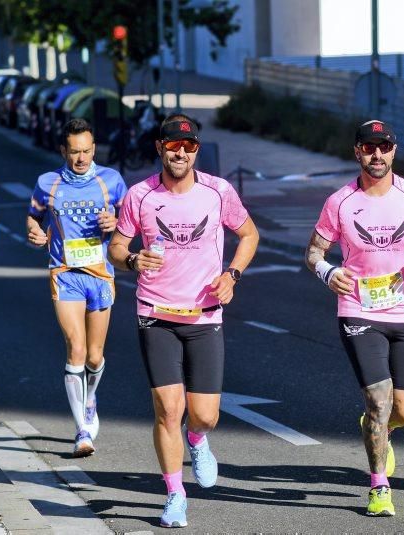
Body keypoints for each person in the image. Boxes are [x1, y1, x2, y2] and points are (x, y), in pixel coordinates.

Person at [108, 113, 259, 529]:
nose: (180, 152)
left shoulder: (218, 191)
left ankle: (198, 439)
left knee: (204, 414)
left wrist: (232, 275)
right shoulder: (140, 195)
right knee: (167, 409)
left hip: (204, 316)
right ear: (160, 147)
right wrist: (134, 258)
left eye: (188, 145)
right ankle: (175, 494)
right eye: (173, 145)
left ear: (196, 150)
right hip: (155, 313)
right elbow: (117, 248)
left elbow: (249, 235)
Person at [305, 120, 404, 517]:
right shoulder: (340, 201)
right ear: (357, 152)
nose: (377, 155)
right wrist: (330, 273)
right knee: (378, 397)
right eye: (369, 148)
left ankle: (379, 427)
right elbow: (314, 253)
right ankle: (378, 488)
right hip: (358, 309)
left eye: (383, 148)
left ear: (393, 151)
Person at [26, 118, 127, 457]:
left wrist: (115, 223)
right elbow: (33, 216)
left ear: (94, 149)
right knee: (76, 349)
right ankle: (82, 430)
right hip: (64, 272)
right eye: (74, 152)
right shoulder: (47, 183)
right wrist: (35, 234)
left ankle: (90, 399)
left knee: (95, 357)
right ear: (63, 151)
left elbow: (130, 223)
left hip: (100, 274)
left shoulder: (111, 181)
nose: (81, 158)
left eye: (86, 151)